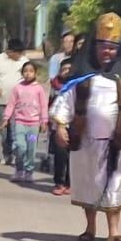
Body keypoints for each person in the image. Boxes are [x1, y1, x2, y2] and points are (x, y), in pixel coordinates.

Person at [49, 13, 121, 241]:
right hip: (84, 142)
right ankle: (90, 227)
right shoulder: (81, 78)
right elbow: (64, 103)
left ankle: (114, 232)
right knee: (88, 183)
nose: (107, 52)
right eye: (103, 47)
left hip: (116, 142)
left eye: (113, 48)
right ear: (95, 47)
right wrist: (61, 125)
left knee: (114, 183)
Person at [0, 38, 29, 166]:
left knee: (16, 130)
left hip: (18, 102)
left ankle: (17, 155)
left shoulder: (24, 61)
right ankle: (7, 153)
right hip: (1, 101)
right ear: (9, 51)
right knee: (4, 130)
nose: (19, 56)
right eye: (17, 53)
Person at [4, 61, 48, 183]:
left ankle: (29, 171)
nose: (28, 74)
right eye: (25, 71)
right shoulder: (17, 88)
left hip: (33, 126)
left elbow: (43, 106)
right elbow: (11, 104)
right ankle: (19, 170)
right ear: (22, 73)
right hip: (20, 123)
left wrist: (44, 121)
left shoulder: (39, 89)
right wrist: (6, 118)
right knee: (20, 146)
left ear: (35, 73)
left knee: (31, 148)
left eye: (31, 71)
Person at [48, 57, 74, 195]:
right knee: (59, 156)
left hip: (74, 126)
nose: (67, 72)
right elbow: (50, 102)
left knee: (72, 157)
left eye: (70, 69)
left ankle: (70, 183)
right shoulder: (55, 85)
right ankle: (59, 183)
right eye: (64, 69)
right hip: (57, 125)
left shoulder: (77, 85)